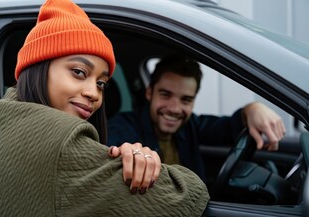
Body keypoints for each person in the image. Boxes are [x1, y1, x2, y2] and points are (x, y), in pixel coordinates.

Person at [0, 1, 210, 217]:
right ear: (39, 66)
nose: (93, 93)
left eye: (101, 83)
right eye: (78, 72)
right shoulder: (63, 142)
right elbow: (185, 197)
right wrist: (147, 162)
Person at [107, 54, 286, 181]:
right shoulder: (122, 127)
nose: (175, 109)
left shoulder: (190, 124)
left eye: (186, 99)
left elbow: (229, 126)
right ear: (149, 93)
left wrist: (253, 109)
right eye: (165, 95)